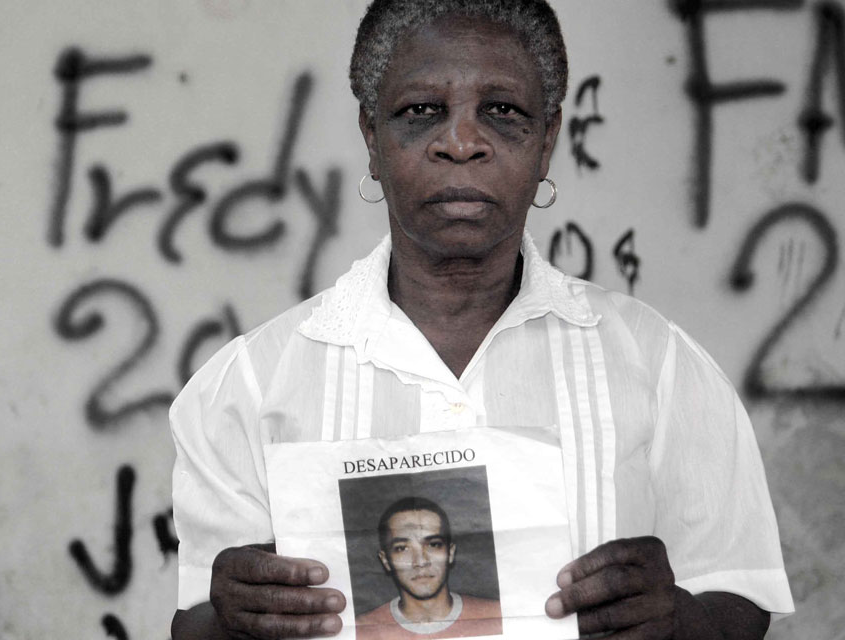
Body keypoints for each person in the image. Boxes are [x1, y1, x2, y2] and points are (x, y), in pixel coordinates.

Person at [169, 1, 794, 639]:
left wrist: (680, 619)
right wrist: (230, 620)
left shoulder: (657, 364)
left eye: (502, 110)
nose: (462, 143)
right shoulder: (249, 383)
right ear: (372, 139)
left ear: (546, 142)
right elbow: (192, 625)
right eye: (421, 111)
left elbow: (740, 596)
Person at [356, 497, 501, 639]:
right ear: (386, 561)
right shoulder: (361, 631)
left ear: (450, 553)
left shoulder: (498, 615)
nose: (420, 561)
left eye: (433, 544)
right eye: (402, 548)